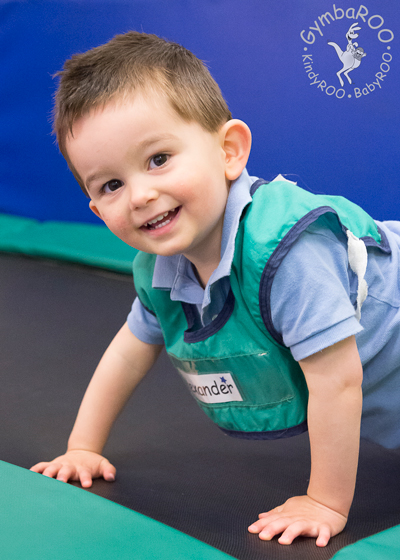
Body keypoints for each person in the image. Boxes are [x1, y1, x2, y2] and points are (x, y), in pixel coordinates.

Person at [31, 31, 400, 547]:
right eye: (110, 185)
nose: (140, 194)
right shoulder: (163, 272)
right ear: (95, 210)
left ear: (230, 152)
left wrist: (324, 502)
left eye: (158, 159)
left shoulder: (287, 255)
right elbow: (127, 352)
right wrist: (82, 447)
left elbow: (337, 382)